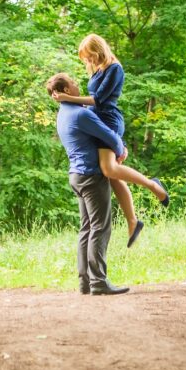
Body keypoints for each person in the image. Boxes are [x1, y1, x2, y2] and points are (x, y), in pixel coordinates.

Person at [51, 34, 168, 248]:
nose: (87, 61)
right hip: (98, 120)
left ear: (97, 51)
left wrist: (69, 99)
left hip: (110, 121)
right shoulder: (97, 69)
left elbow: (98, 100)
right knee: (112, 175)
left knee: (108, 169)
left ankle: (154, 186)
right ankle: (133, 221)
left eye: (88, 57)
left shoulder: (115, 69)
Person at [47, 72, 131, 296]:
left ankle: (85, 282)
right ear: (65, 90)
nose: (78, 85)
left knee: (86, 229)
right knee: (100, 228)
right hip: (92, 176)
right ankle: (99, 282)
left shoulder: (63, 114)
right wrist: (121, 149)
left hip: (76, 175)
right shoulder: (80, 115)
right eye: (73, 83)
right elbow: (110, 135)